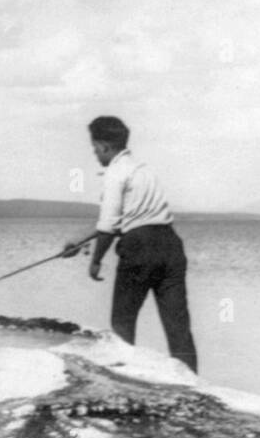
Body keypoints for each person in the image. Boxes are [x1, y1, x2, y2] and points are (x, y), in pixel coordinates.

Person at [62, 115, 198, 373]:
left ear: (103, 146)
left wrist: (95, 261)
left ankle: (123, 377)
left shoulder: (114, 172)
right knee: (177, 324)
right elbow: (127, 217)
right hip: (170, 245)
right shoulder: (143, 169)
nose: (95, 154)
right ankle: (194, 381)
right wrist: (80, 240)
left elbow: (108, 226)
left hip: (139, 249)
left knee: (122, 321)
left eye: (94, 149)